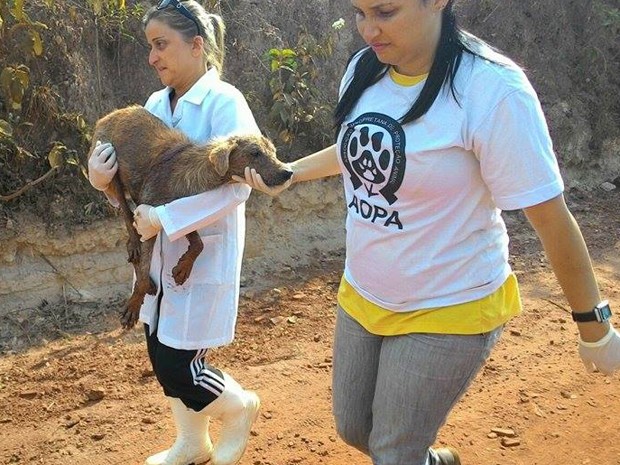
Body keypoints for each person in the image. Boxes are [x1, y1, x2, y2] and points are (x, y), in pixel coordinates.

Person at [234, 0, 620, 464]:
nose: (368, 30)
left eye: (385, 12)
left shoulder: (492, 90)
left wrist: (594, 328)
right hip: (363, 291)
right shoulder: (366, 68)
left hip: (450, 304)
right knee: (355, 429)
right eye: (359, 13)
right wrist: (290, 172)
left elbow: (551, 218)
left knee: (394, 452)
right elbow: (355, 145)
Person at [87, 2, 261, 464]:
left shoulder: (226, 103)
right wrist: (105, 183)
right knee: (157, 346)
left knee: (180, 366)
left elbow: (240, 186)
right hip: (155, 255)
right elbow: (139, 189)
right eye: (150, 47)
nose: (153, 57)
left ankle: (240, 406)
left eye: (161, 45)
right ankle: (191, 443)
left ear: (196, 44)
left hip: (200, 255)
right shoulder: (153, 107)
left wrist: (168, 219)